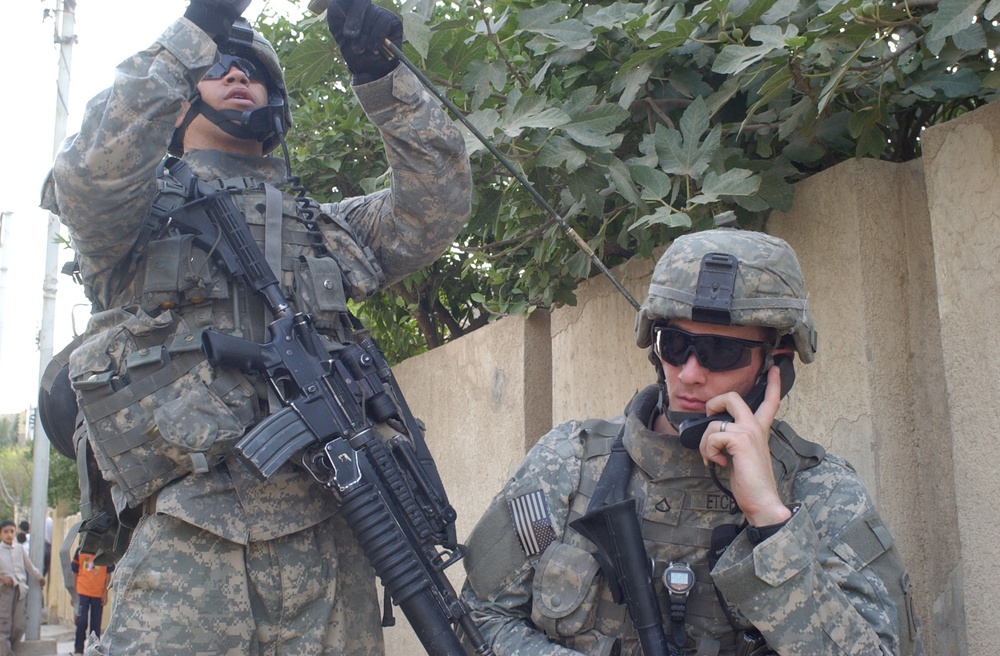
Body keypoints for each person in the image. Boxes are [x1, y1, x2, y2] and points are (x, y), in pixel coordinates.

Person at [41, 0, 470, 653]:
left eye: (254, 68)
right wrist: (194, 30)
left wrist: (382, 77)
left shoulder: (327, 229)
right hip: (191, 540)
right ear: (179, 101)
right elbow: (88, 177)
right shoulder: (128, 227)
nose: (238, 73)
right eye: (217, 65)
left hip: (337, 533)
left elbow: (434, 208)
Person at [460, 228, 923, 655]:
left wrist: (771, 525)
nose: (690, 373)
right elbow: (479, 617)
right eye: (675, 344)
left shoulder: (821, 495)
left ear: (775, 365)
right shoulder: (567, 464)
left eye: (723, 351)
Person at [0, 520, 45, 656]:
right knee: (4, 624)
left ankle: (6, 648)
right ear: (1, 534)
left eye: (11, 531)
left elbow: (29, 566)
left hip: (20, 590)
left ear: (16, 532)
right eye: (6, 532)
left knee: (19, 625)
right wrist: (2, 578)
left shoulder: (19, 549)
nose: (9, 535)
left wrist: (39, 577)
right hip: (5, 591)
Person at [71, 547, 114, 656]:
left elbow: (108, 573)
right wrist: (73, 593)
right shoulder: (80, 550)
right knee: (81, 621)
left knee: (96, 625)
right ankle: (78, 651)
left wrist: (105, 592)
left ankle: (93, 651)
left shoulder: (105, 551)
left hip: (98, 593)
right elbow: (74, 571)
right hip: (81, 592)